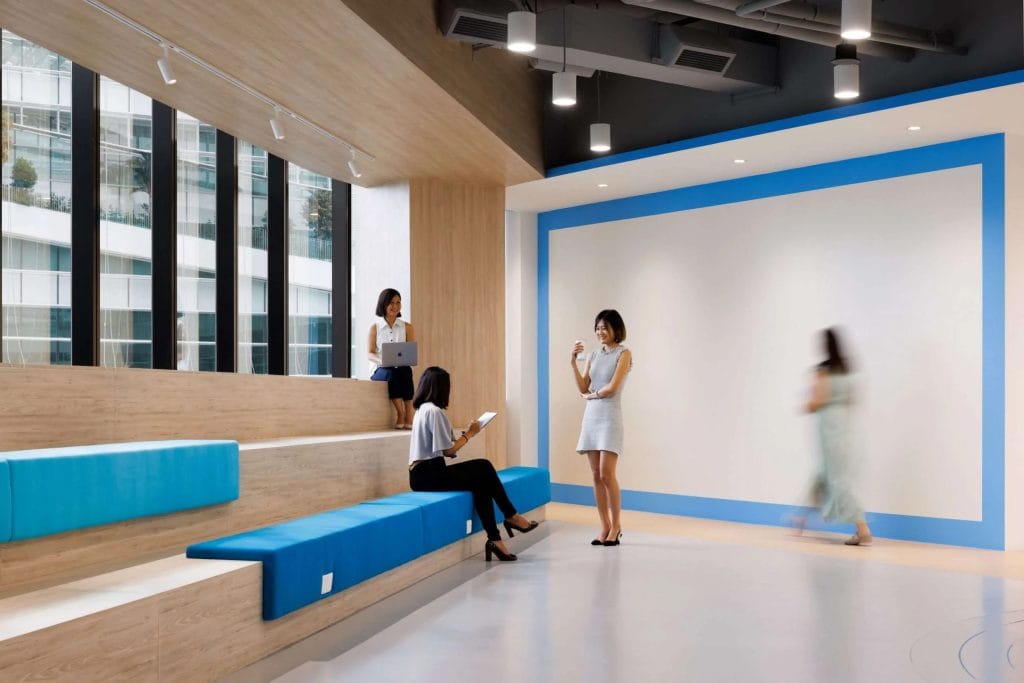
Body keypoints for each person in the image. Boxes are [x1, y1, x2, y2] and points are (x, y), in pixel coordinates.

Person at [408, 366, 538, 561]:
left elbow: (443, 450)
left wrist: (465, 434)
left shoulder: (422, 409)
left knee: (480, 483)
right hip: (427, 474)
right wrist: (471, 433)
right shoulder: (434, 412)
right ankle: (511, 515)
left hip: (423, 474)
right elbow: (449, 450)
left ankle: (495, 540)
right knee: (484, 466)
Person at [798, 327, 873, 546]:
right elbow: (852, 399)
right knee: (826, 472)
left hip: (828, 425)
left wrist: (807, 405)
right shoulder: (847, 370)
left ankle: (862, 527)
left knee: (836, 477)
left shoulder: (823, 370)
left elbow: (817, 400)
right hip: (845, 424)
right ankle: (801, 518)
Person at [571, 309, 632, 547]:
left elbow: (612, 388)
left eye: (605, 328)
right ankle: (604, 526)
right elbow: (583, 386)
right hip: (592, 417)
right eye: (597, 328)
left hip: (609, 417)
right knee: (596, 475)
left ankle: (616, 526)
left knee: (607, 474)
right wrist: (573, 363)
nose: (600, 332)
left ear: (616, 329)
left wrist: (592, 396)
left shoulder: (624, 353)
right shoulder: (594, 354)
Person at [368, 288, 416, 429]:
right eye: (391, 303)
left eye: (398, 302)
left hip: (401, 367)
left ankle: (409, 415)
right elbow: (370, 353)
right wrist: (382, 361)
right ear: (383, 304)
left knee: (405, 371)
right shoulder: (375, 327)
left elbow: (410, 351)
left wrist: (404, 359)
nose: (395, 306)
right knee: (391, 373)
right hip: (381, 369)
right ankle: (400, 414)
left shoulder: (407, 327)